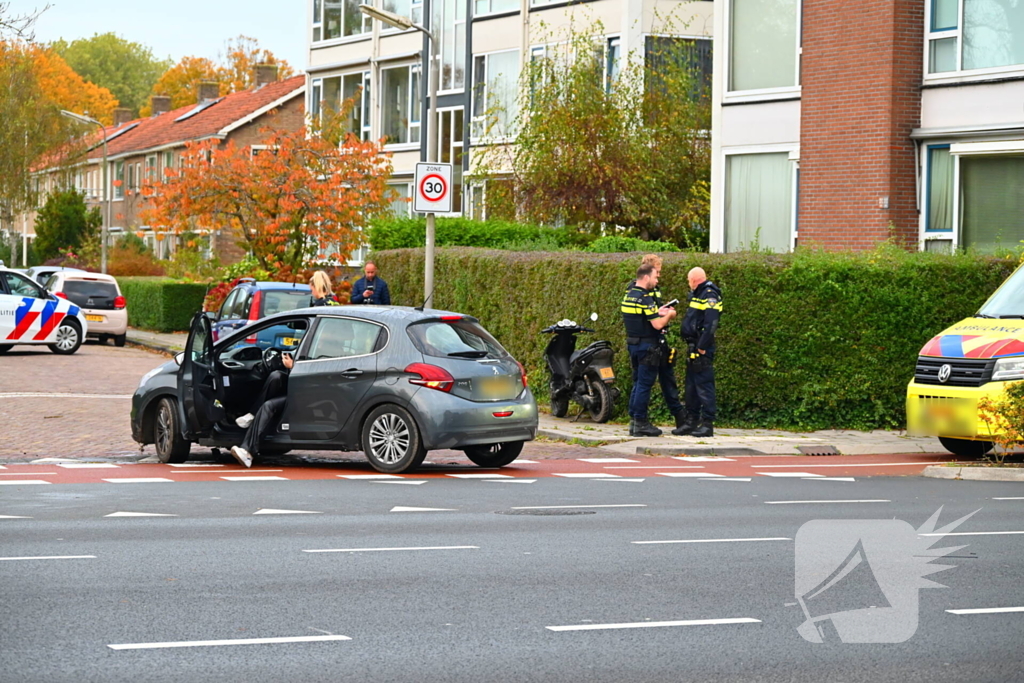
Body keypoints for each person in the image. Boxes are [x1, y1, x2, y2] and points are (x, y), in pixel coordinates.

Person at [624, 254, 686, 435]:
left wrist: (657, 311)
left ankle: (635, 422)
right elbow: (657, 324)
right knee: (644, 384)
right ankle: (640, 423)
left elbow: (640, 316)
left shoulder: (630, 295)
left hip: (634, 343)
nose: (658, 278)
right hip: (648, 346)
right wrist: (669, 315)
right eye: (656, 275)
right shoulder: (644, 297)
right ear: (647, 275)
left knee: (638, 383)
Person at [673, 266, 722, 438]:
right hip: (693, 345)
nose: (688, 284)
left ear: (693, 280)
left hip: (702, 347)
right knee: (691, 386)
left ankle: (707, 424)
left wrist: (702, 346)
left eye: (688, 280)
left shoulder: (709, 294)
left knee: (704, 385)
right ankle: (691, 422)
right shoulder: (698, 293)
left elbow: (711, 323)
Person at [230, 352, 294, 468]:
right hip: (291, 386)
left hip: (302, 391)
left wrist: (292, 367)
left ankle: (248, 451)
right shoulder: (310, 345)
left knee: (270, 400)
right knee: (275, 378)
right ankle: (247, 452)